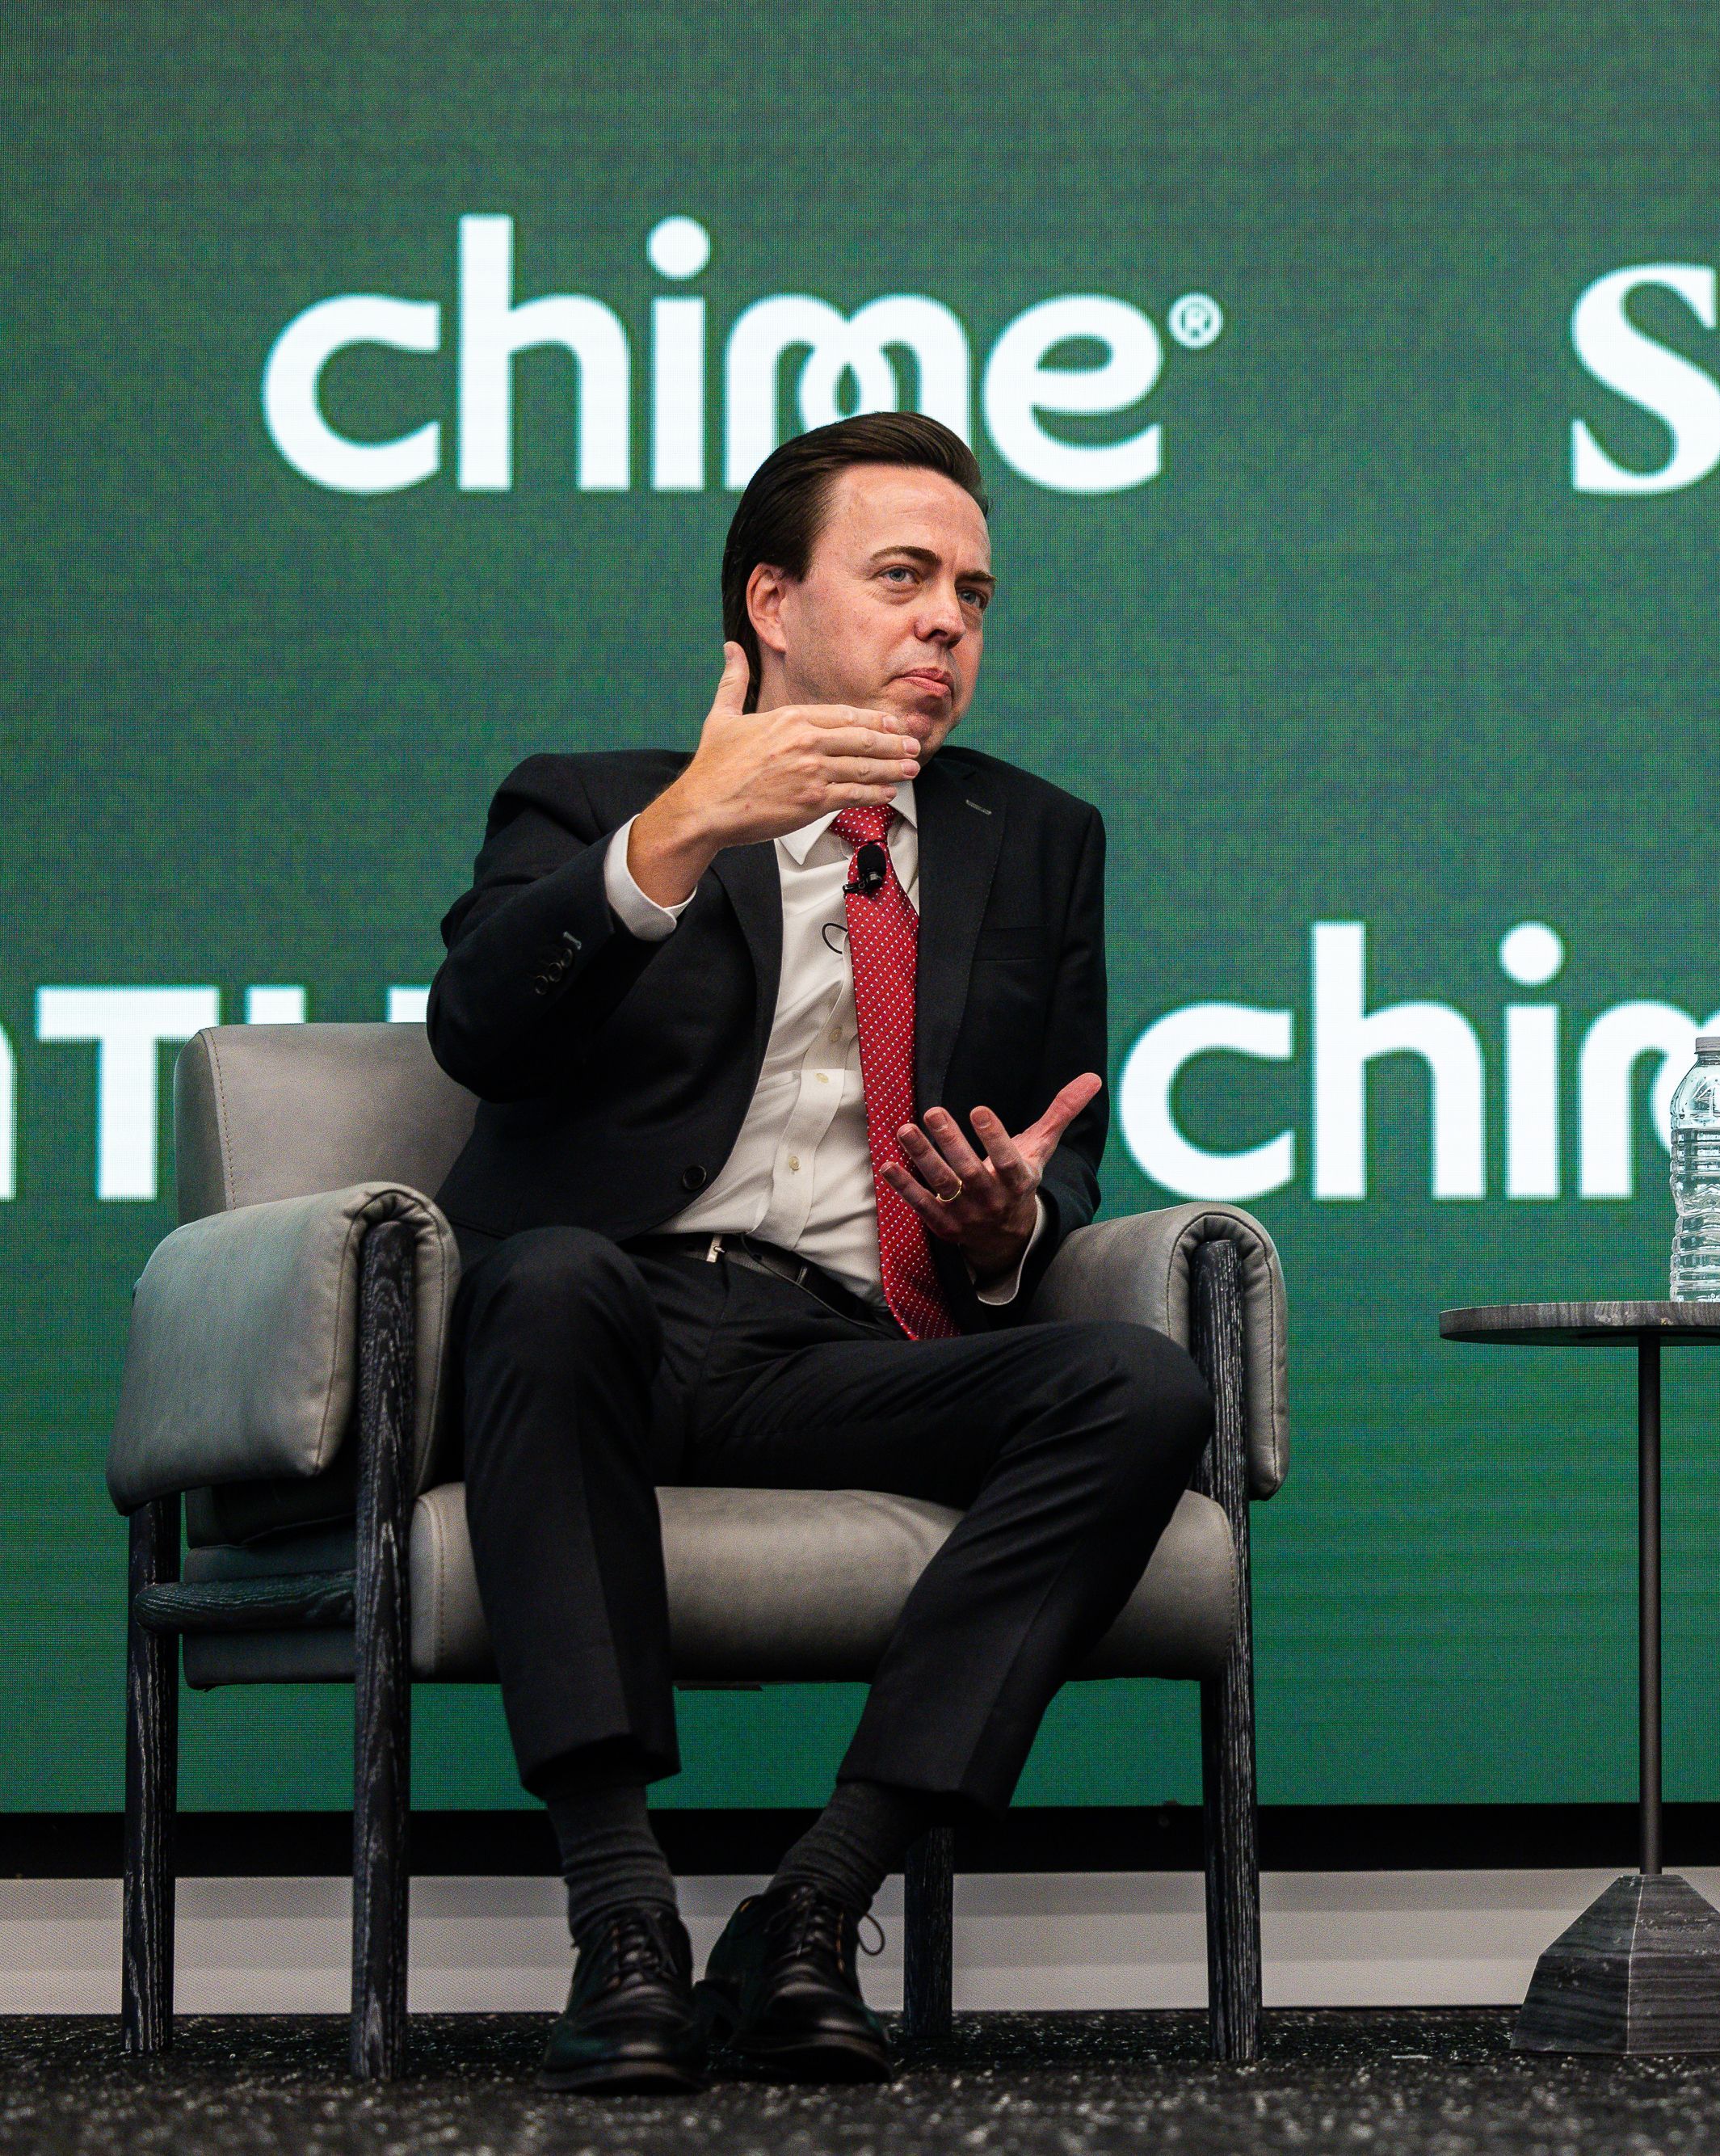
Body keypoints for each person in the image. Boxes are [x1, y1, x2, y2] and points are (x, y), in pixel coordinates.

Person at [425, 411, 1209, 2094]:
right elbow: (478, 1028)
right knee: (547, 1276)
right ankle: (619, 1909)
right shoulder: (594, 799)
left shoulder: (1037, 838)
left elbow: (1057, 1146)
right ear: (773, 603)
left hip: (831, 1353)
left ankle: (814, 1898)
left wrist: (1010, 1227)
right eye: (905, 578)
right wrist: (676, 839)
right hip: (596, 1327)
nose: (947, 625)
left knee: (1140, 1387)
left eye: (975, 597)